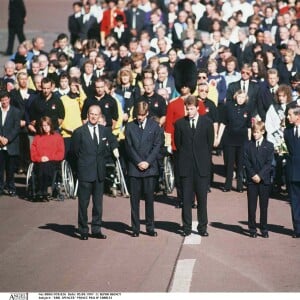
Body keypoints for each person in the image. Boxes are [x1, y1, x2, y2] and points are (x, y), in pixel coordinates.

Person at [71, 105, 119, 240]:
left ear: (99, 116)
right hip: (85, 171)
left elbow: (113, 140)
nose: (93, 116)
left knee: (98, 203)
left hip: (99, 172)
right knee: (83, 203)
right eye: (91, 114)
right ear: (87, 115)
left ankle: (96, 229)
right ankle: (83, 229)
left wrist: (115, 149)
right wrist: (80, 168)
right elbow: (74, 152)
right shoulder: (79, 132)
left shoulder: (104, 131)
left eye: (96, 114)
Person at [174, 95, 214, 237]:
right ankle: (186, 227)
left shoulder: (207, 123)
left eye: (191, 109)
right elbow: (178, 145)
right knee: (186, 199)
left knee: (202, 200)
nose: (189, 111)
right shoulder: (179, 124)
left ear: (197, 108)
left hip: (201, 167)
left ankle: (202, 227)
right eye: (187, 109)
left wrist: (204, 162)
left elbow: (210, 145)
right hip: (186, 167)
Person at [125, 101, 164, 237]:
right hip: (135, 168)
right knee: (134, 200)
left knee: (149, 199)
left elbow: (158, 145)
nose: (139, 117)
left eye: (142, 115)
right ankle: (135, 228)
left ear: (147, 113)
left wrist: (147, 162)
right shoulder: (129, 126)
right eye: (138, 115)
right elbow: (128, 147)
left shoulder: (155, 126)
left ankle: (150, 227)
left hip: (149, 168)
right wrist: (138, 162)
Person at [215, 90, 252, 192]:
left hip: (242, 140)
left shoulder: (248, 109)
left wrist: (249, 142)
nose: (241, 99)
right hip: (229, 139)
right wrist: (218, 138)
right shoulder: (228, 107)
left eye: (243, 97)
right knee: (229, 163)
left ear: (246, 99)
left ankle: (240, 186)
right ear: (236, 97)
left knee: (240, 164)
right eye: (239, 97)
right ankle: (227, 185)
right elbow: (223, 123)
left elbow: (249, 127)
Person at [244, 121, 274, 238]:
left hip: (264, 180)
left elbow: (269, 164)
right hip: (252, 180)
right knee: (251, 206)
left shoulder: (269, 145)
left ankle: (264, 228)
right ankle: (252, 229)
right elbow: (246, 161)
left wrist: (260, 176)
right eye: (253, 132)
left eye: (257, 132)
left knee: (264, 206)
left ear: (263, 132)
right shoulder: (248, 145)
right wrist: (253, 175)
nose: (254, 135)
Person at [30, 116, 65, 201]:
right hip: (40, 162)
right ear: (41, 127)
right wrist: (40, 159)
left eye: (47, 125)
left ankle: (42, 191)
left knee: (46, 165)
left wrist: (49, 158)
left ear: (51, 125)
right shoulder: (37, 138)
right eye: (43, 125)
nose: (45, 127)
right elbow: (33, 154)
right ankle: (43, 191)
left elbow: (61, 154)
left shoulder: (57, 137)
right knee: (42, 165)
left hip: (53, 161)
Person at [0, 90, 21, 197]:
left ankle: (11, 187)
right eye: (2, 100)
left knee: (10, 169)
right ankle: (0, 188)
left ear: (9, 99)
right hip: (0, 145)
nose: (4, 102)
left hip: (11, 144)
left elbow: (16, 128)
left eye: (6, 99)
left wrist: (7, 139)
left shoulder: (16, 112)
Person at [284, 105, 300, 238]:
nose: (288, 117)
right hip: (293, 171)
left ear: (298, 116)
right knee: (294, 201)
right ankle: (297, 229)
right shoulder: (287, 132)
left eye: (290, 115)